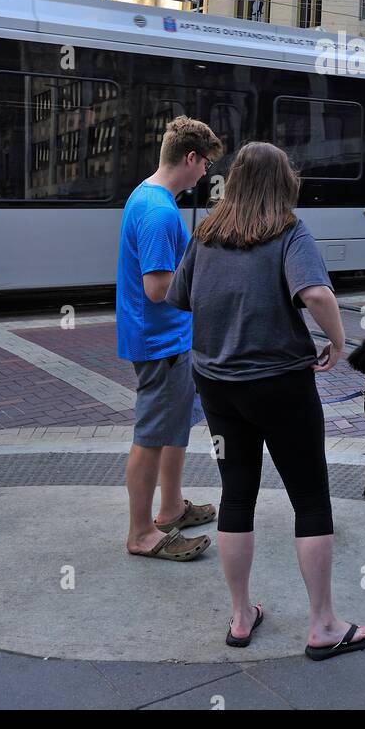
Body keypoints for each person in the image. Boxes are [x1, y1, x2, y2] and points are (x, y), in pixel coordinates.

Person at [166, 141, 365, 661]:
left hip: (217, 384)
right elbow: (317, 295)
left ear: (234, 180)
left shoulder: (207, 232)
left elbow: (180, 296)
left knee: (237, 493)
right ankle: (323, 624)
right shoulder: (287, 230)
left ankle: (240, 617)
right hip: (281, 384)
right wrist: (339, 341)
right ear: (283, 183)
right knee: (309, 497)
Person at [117, 115, 223, 561]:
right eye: (205, 165)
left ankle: (171, 508)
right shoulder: (160, 212)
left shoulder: (148, 197)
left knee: (173, 426)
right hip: (162, 342)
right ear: (191, 158)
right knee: (152, 434)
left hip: (169, 340)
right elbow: (158, 289)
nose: (206, 174)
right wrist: (209, 285)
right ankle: (141, 533)